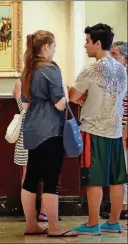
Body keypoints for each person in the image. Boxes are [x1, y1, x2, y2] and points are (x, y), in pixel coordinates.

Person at [69, 24, 127, 235]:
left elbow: (73, 97)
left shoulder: (91, 69)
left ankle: (93, 223)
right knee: (116, 178)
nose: (85, 46)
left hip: (93, 130)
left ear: (98, 43)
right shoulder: (122, 69)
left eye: (87, 41)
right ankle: (113, 222)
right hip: (115, 130)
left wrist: (86, 100)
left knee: (94, 178)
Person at [20, 30, 77, 237]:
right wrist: (66, 92)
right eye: (54, 46)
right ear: (46, 46)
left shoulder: (28, 69)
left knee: (31, 178)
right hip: (50, 131)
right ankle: (54, 227)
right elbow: (61, 104)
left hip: (32, 130)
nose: (55, 50)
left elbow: (25, 104)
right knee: (51, 179)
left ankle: (30, 224)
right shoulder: (50, 69)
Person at [12, 80, 59, 223]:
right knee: (48, 173)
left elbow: (20, 102)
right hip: (47, 130)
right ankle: (44, 212)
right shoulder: (50, 80)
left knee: (27, 174)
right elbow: (60, 104)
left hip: (27, 131)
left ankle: (30, 215)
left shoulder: (21, 82)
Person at [101, 41, 128, 223]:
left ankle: (124, 208)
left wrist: (125, 131)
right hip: (116, 128)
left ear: (125, 58)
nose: (111, 57)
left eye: (115, 54)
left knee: (123, 170)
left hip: (124, 129)